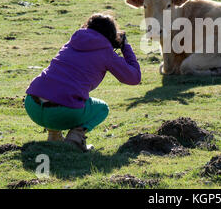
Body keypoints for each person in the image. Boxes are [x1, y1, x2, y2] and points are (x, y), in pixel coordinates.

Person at [24, 13, 141, 152]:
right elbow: (134, 78)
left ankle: (54, 137)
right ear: (111, 34)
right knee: (102, 108)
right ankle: (75, 139)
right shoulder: (106, 51)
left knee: (57, 89)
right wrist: (125, 46)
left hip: (32, 105)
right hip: (62, 112)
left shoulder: (72, 42)